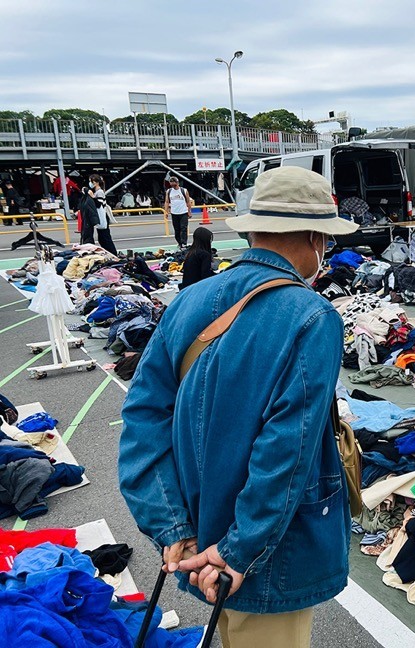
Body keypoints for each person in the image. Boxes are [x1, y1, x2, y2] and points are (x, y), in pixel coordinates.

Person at [119, 166, 357, 648]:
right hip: (266, 554)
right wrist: (240, 548)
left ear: (253, 229)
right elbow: (287, 451)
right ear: (316, 238)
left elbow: (143, 419)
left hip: (198, 535)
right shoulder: (313, 317)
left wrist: (172, 528)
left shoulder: (188, 300)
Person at [82, 175, 118, 256]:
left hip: (103, 217)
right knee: (102, 238)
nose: (90, 183)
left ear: (96, 182)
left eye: (91, 181)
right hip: (101, 217)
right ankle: (110, 254)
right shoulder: (96, 191)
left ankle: (113, 254)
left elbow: (99, 204)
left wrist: (92, 196)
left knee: (105, 238)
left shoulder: (100, 192)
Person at [164, 176, 193, 247]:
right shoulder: (169, 191)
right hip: (174, 213)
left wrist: (189, 211)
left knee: (183, 228)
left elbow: (188, 201)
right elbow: (167, 202)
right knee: (177, 230)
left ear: (177, 183)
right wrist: (166, 211)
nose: (173, 186)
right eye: (171, 184)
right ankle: (179, 242)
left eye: (174, 184)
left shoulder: (184, 191)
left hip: (183, 212)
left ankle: (184, 243)